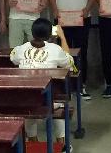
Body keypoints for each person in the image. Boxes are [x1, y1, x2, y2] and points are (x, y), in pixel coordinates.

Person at [10, 18, 74, 150]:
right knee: (59, 103)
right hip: (48, 100)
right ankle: (62, 143)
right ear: (50, 34)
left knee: (29, 102)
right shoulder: (55, 49)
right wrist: (62, 37)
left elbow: (13, 58)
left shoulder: (22, 48)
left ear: (32, 32)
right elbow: (69, 64)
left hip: (26, 98)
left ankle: (33, 141)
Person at [49, 0, 97, 100]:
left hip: (82, 17)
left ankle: (81, 85)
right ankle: (64, 87)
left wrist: (87, 8)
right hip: (61, 19)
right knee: (62, 52)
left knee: (81, 51)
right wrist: (54, 9)